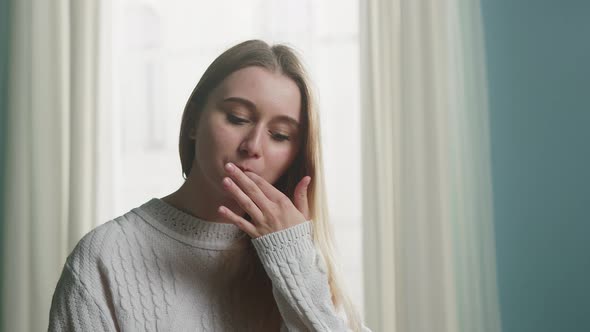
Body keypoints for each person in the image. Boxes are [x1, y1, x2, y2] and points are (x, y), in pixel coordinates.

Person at [48, 40, 371, 331]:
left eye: (280, 135)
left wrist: (293, 261)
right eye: (237, 117)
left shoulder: (302, 256)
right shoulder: (103, 256)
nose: (253, 146)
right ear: (192, 123)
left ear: (295, 156)